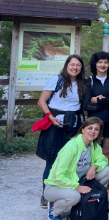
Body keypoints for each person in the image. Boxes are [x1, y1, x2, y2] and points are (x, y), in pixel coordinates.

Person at [37, 55, 87, 209]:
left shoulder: (82, 84)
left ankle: (67, 189)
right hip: (55, 123)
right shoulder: (56, 80)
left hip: (73, 124)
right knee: (52, 159)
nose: (75, 67)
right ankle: (47, 194)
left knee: (71, 159)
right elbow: (42, 101)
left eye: (78, 65)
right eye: (72, 64)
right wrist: (50, 117)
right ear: (67, 66)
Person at [44, 117, 109, 220]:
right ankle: (55, 207)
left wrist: (94, 167)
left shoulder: (93, 145)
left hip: (79, 181)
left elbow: (103, 160)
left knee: (108, 171)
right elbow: (57, 176)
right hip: (56, 186)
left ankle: (87, 199)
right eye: (90, 128)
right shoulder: (71, 147)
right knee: (75, 197)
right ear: (83, 130)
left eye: (96, 129)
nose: (93, 131)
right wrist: (77, 187)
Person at [83, 52, 109, 169]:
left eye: (106, 62)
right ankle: (93, 184)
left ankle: (106, 186)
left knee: (108, 154)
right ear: (95, 64)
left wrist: (98, 100)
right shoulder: (89, 81)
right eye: (100, 62)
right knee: (92, 154)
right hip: (94, 122)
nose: (103, 65)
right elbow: (86, 105)